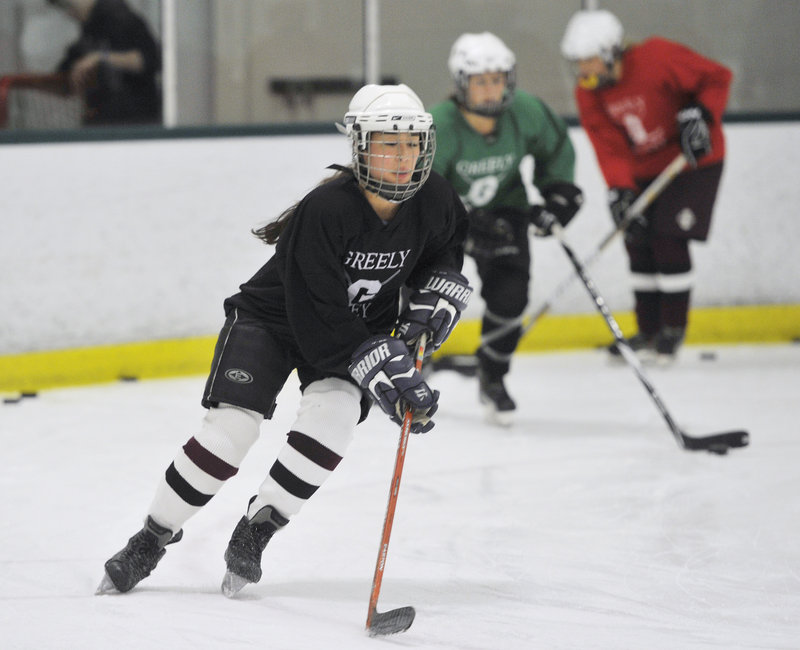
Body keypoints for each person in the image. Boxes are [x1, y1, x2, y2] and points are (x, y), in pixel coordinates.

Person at [96, 83, 472, 596]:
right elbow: (319, 318)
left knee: (335, 416)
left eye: (411, 145)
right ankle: (151, 537)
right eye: (389, 143)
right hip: (274, 321)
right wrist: (379, 364)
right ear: (360, 147)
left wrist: (437, 290)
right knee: (231, 431)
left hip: (351, 332)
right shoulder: (326, 211)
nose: (402, 158)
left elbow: (444, 248)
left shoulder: (435, 198)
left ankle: (257, 530)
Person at [560, 9, 732, 363]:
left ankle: (672, 331)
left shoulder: (657, 57)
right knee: (637, 241)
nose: (584, 71)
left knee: (668, 239)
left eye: (590, 61)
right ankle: (648, 331)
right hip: (643, 168)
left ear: (611, 52)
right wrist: (619, 189)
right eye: (578, 63)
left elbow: (718, 77)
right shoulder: (588, 93)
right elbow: (608, 146)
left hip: (693, 161)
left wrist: (701, 112)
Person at [429, 32, 583, 426]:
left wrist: (558, 194)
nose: (490, 89)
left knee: (511, 298)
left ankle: (492, 377)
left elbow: (556, 148)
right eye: (480, 81)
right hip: (448, 222)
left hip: (507, 210)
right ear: (461, 84)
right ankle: (411, 366)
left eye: (497, 79)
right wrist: (464, 224)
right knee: (423, 297)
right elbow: (424, 192)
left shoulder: (526, 111)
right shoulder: (440, 127)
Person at [47, 0, 161, 125]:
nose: (68, 14)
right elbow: (65, 73)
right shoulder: (89, 31)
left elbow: (148, 59)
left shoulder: (121, 19)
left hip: (134, 123)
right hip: (103, 123)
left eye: (67, 5)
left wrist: (101, 57)